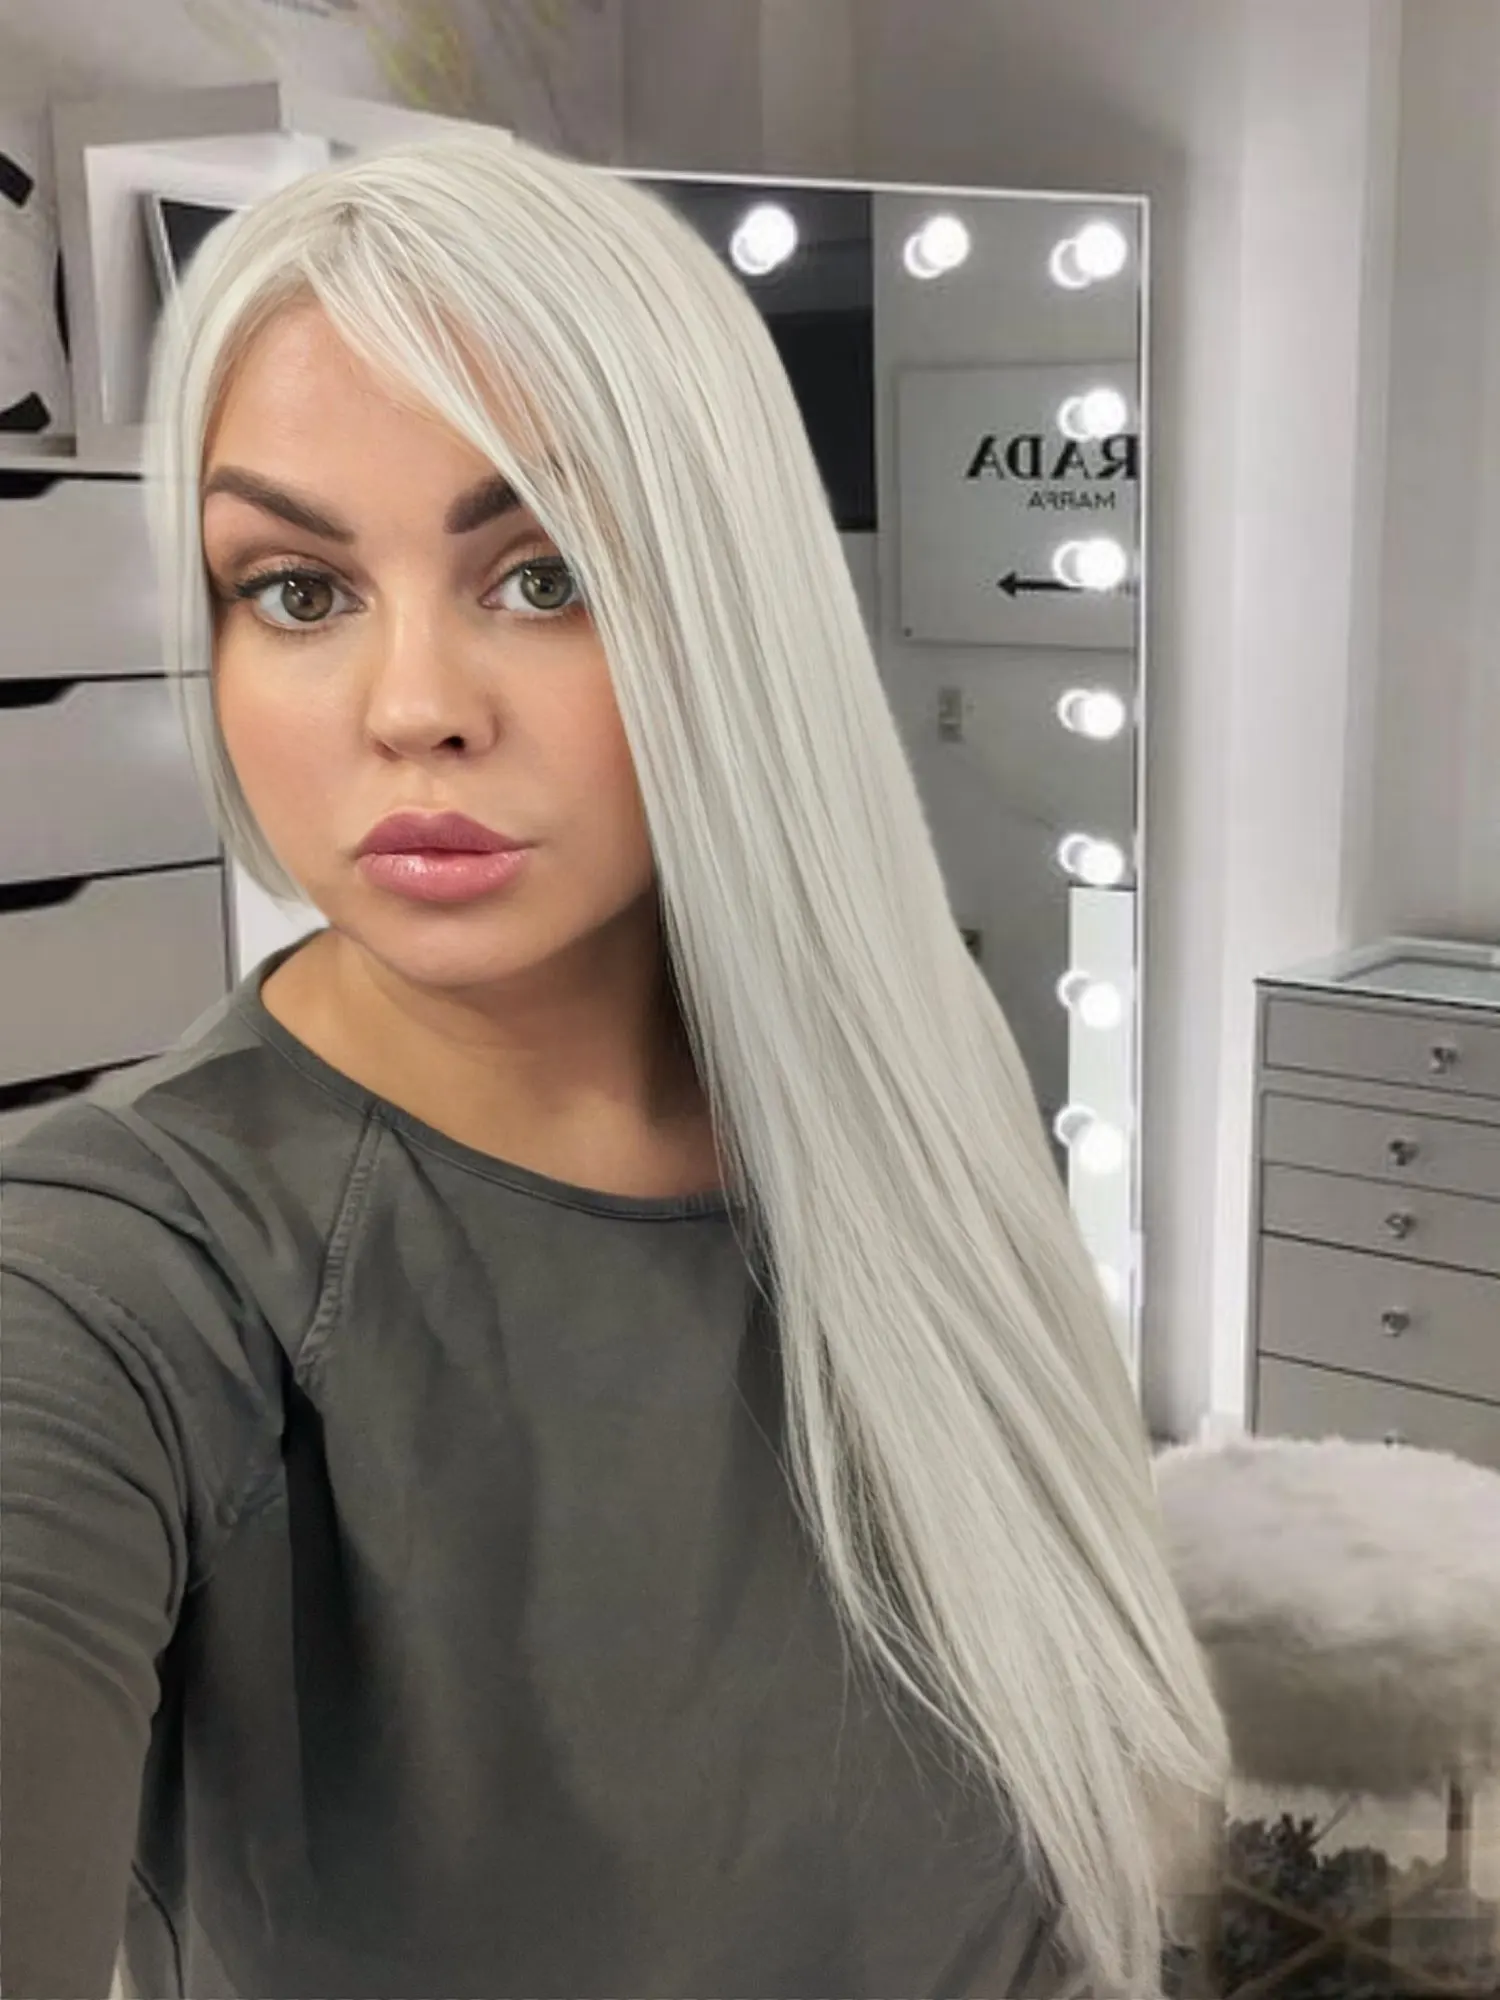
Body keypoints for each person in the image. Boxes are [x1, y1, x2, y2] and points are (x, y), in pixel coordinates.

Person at [0, 129, 1227, 2000]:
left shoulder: (907, 1085)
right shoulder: (115, 1281)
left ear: (733, 611)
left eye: (546, 573)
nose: (415, 709)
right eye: (299, 590)